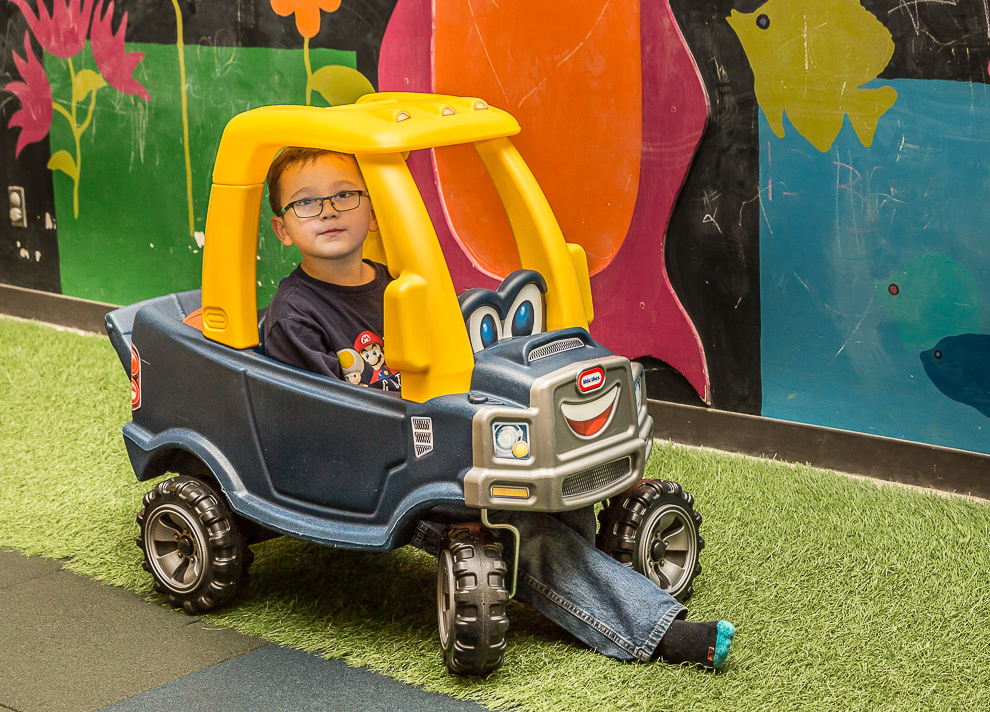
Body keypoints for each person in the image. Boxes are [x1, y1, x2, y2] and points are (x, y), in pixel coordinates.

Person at [261, 146, 735, 668]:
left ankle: (596, 582)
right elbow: (326, 417)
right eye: (306, 203)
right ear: (283, 229)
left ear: (373, 213)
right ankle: (655, 631)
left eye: (344, 195)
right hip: (382, 474)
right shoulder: (294, 315)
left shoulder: (403, 284)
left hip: (441, 436)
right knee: (521, 526)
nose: (328, 210)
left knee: (553, 484)